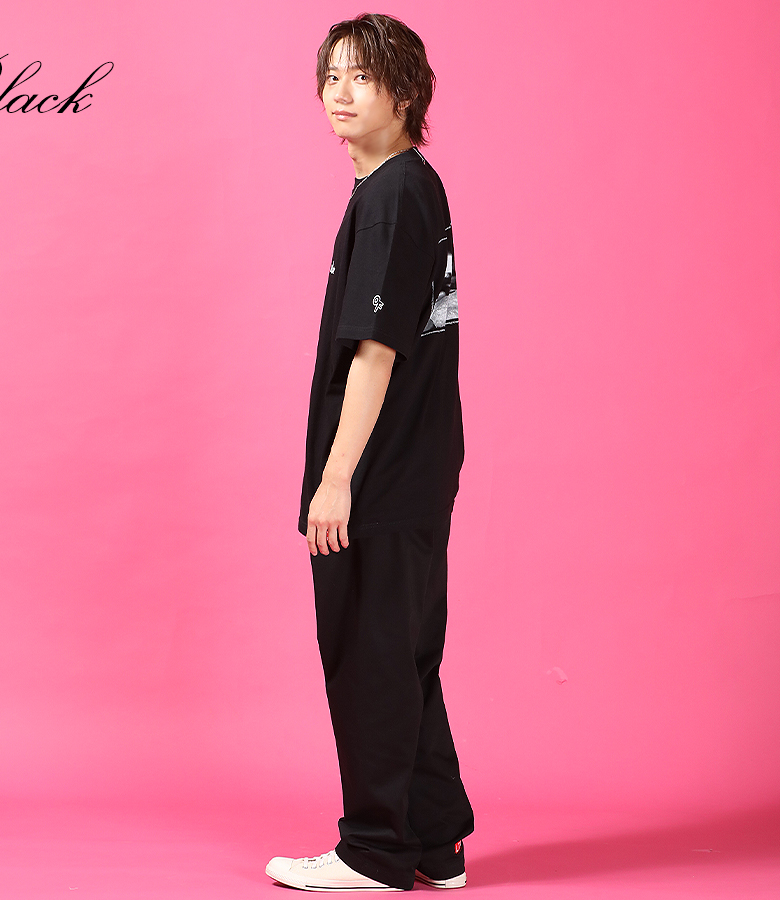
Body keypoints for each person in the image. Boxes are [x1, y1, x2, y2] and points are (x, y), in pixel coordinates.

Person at [266, 13, 474, 892]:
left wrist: (336, 479)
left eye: (363, 76)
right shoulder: (412, 186)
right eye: (333, 76)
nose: (341, 93)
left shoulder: (391, 196)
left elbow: (377, 352)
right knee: (406, 654)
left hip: (381, 474)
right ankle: (434, 841)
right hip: (419, 465)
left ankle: (375, 851)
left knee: (369, 657)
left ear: (406, 91)